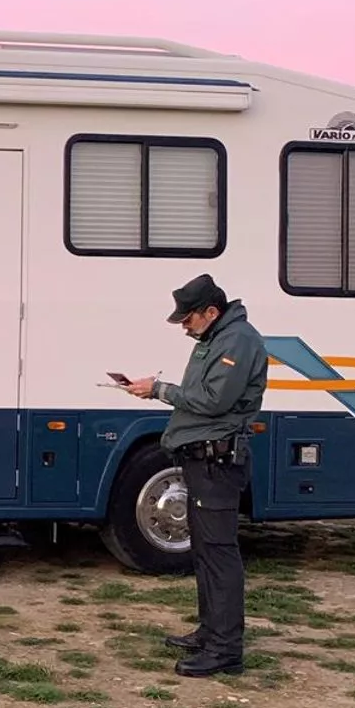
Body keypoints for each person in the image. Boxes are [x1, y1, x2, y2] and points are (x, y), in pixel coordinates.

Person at [122, 274, 267, 677]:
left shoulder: (236, 341)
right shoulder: (216, 339)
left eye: (188, 318)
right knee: (205, 552)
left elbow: (213, 400)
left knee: (219, 554)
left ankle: (225, 651)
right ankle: (210, 632)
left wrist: (159, 390)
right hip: (203, 462)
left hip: (218, 464)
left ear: (211, 312)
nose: (184, 325)